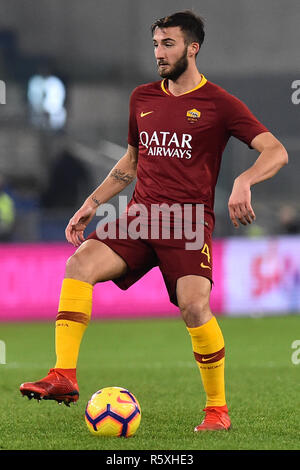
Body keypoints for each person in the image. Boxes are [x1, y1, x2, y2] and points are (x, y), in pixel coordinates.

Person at [20, 11, 288, 431]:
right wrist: (91, 202)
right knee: (79, 265)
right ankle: (64, 377)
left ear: (192, 48)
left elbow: (275, 150)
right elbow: (130, 163)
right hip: (140, 217)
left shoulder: (219, 103)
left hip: (186, 224)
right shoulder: (142, 98)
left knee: (195, 307)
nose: (159, 53)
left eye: (168, 44)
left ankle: (217, 411)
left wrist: (244, 180)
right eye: (156, 45)